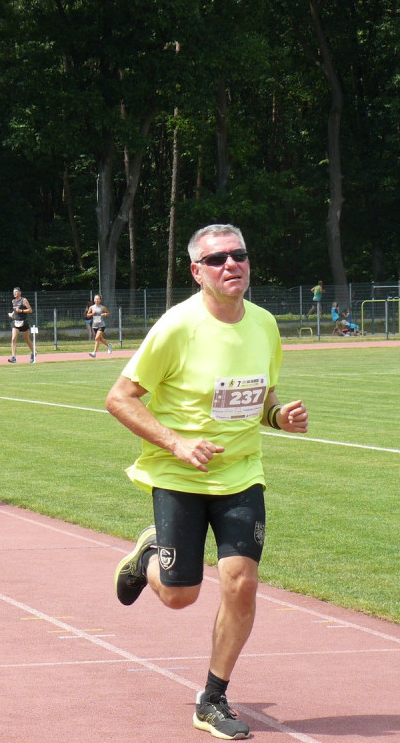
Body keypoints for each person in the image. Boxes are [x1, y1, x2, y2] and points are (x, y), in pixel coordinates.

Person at [105, 224, 308, 740]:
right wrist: (175, 442)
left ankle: (212, 698)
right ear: (196, 272)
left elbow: (259, 400)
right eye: (217, 260)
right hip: (179, 474)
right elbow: (120, 398)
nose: (231, 265)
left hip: (242, 473)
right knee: (179, 596)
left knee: (241, 582)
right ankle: (148, 557)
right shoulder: (176, 327)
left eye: (239, 255)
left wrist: (279, 416)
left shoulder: (264, 325)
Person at [7, 286, 34, 363]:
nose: (14, 293)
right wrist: (12, 314)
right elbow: (15, 310)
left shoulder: (24, 300)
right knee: (13, 339)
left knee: (26, 339)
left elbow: (30, 310)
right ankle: (13, 357)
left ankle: (33, 352)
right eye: (13, 292)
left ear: (20, 292)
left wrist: (21, 311)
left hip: (24, 322)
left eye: (16, 292)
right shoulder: (13, 301)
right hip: (16, 322)